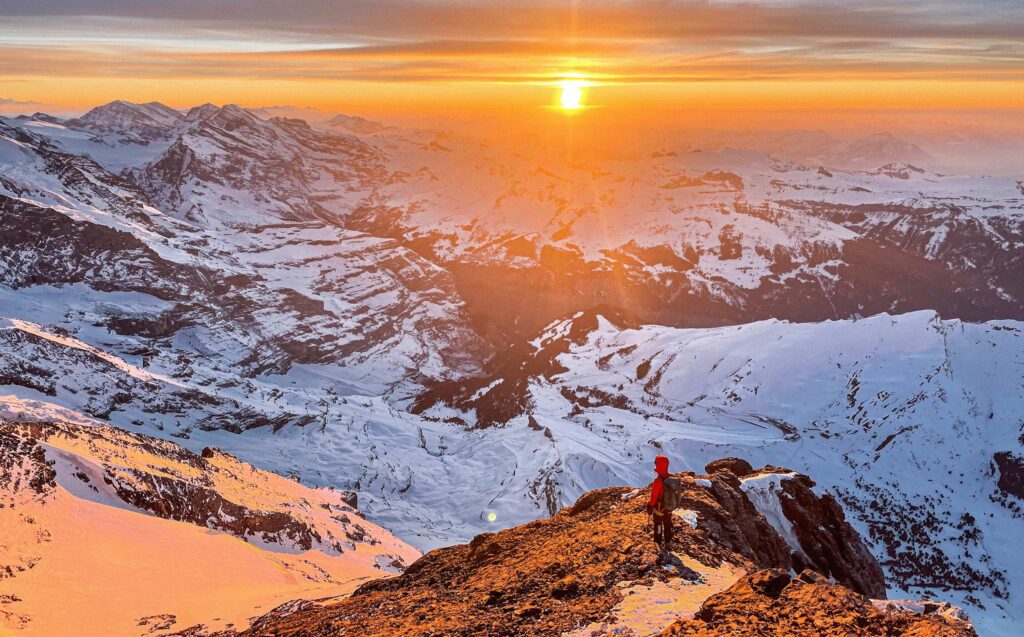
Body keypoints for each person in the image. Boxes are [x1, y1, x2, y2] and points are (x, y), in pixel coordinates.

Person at [647, 455, 675, 561]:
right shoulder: (670, 478)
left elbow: (654, 497)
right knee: (667, 523)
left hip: (659, 508)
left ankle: (658, 542)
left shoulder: (658, 481)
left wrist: (650, 506)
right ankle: (668, 542)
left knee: (658, 524)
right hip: (669, 507)